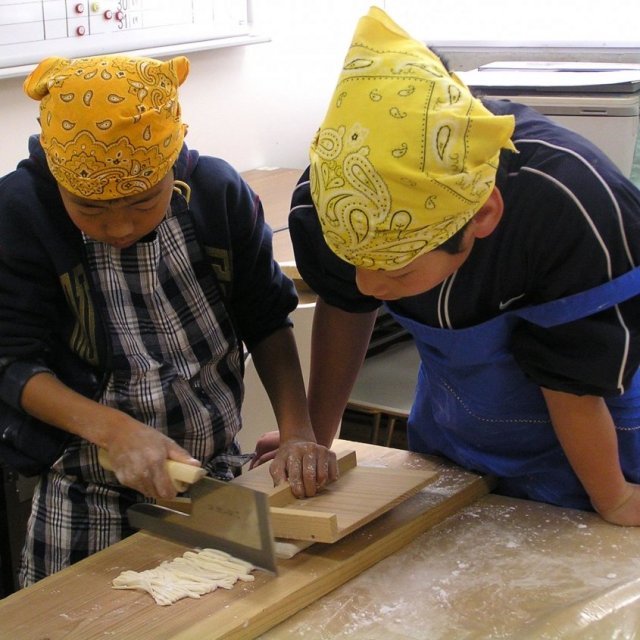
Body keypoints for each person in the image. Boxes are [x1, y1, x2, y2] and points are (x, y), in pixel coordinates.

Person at [288, 7, 640, 525]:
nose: (371, 284)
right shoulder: (336, 190)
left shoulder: (573, 207)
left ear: (483, 216)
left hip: (598, 434)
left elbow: (573, 385)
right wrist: (315, 438)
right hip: (460, 430)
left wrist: (616, 499)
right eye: (355, 261)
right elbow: (346, 305)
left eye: (399, 270)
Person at [0, 54, 336, 587]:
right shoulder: (19, 215)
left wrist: (298, 432)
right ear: (59, 180)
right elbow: (10, 362)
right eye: (89, 208)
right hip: (87, 488)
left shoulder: (218, 195)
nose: (119, 226)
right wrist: (114, 431)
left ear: (171, 166)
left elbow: (267, 320)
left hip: (212, 477)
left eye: (143, 202)